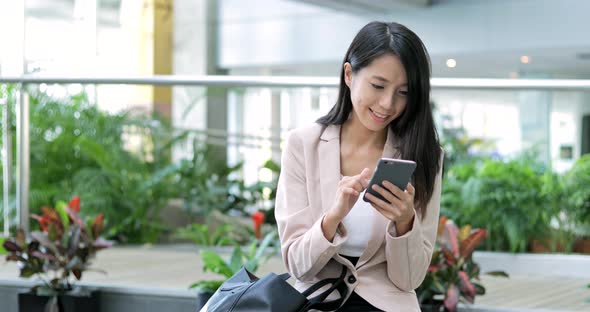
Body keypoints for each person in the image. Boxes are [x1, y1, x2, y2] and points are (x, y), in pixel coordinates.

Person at [275, 21, 443, 312]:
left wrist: (405, 224)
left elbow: (410, 280)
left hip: (386, 304)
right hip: (317, 300)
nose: (388, 104)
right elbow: (297, 265)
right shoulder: (303, 145)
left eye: (403, 92)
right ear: (349, 75)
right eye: (378, 86)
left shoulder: (424, 155)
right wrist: (333, 217)